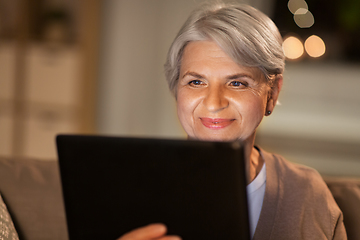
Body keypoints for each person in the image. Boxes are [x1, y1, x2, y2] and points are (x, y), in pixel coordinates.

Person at [118, 2, 347, 240]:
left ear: (272, 94)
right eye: (196, 82)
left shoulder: (308, 194)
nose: (214, 102)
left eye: (237, 83)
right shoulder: (124, 190)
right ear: (176, 89)